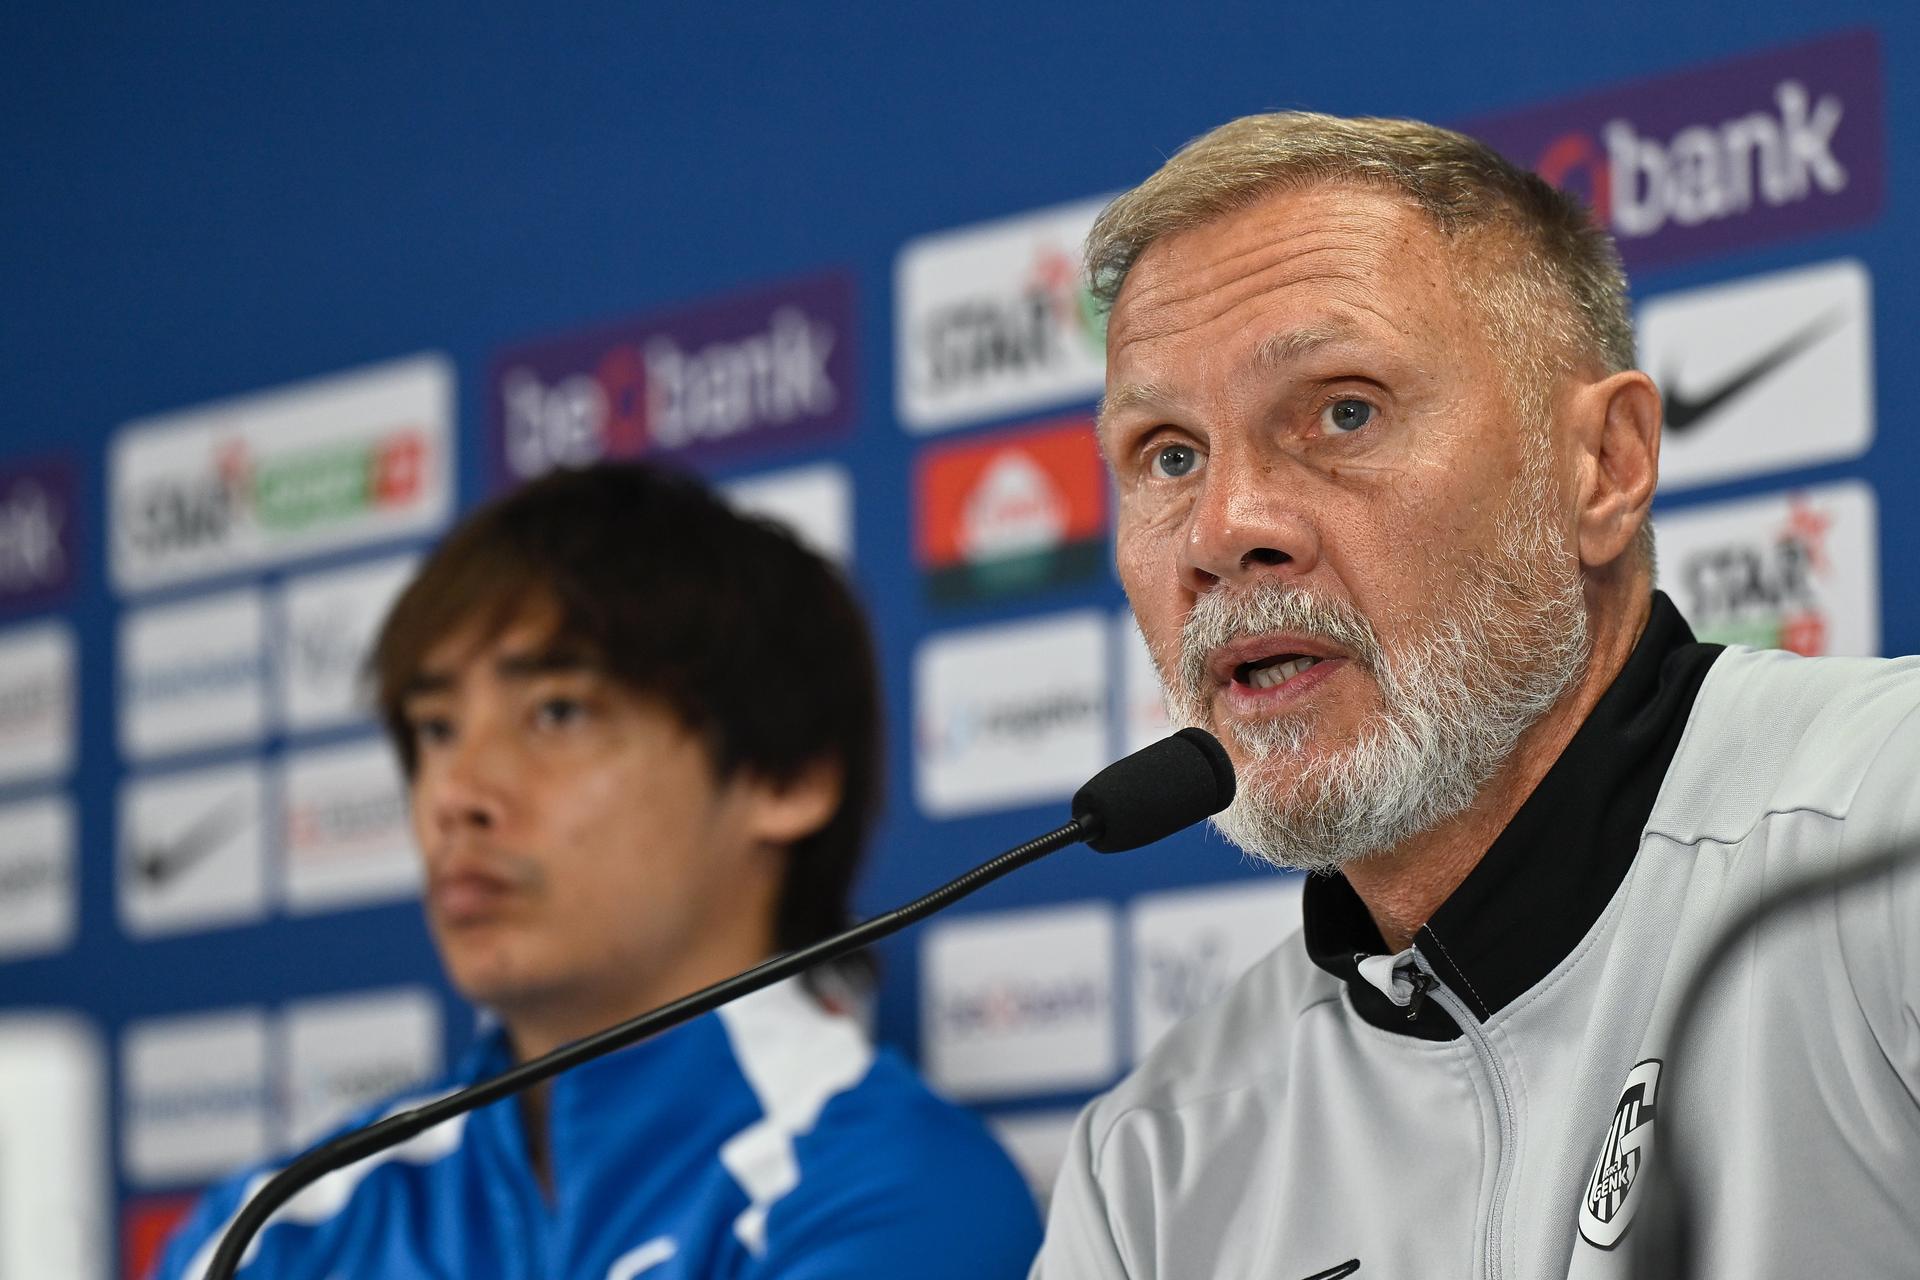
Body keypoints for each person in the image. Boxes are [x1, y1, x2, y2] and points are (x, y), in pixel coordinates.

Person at [1032, 112, 1920, 1278]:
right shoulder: (1153, 1166)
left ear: (1602, 466)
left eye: (1343, 411)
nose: (1222, 530)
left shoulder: (1884, 834)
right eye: (1168, 454)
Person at [155, 463, 1041, 1280]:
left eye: (557, 712)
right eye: (433, 729)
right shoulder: (280, 1224)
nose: (457, 793)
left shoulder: (901, 1194)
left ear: (787, 777)